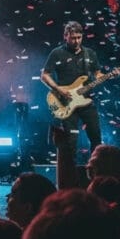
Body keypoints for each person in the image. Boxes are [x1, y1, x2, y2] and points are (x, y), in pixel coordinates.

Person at [41, 20, 102, 161]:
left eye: (79, 38)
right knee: (70, 141)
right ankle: (70, 174)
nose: (76, 41)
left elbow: (97, 73)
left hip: (86, 101)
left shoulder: (90, 54)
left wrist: (105, 76)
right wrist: (58, 89)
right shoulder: (57, 53)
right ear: (65, 36)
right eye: (73, 38)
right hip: (66, 101)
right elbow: (45, 75)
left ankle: (97, 170)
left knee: (96, 137)